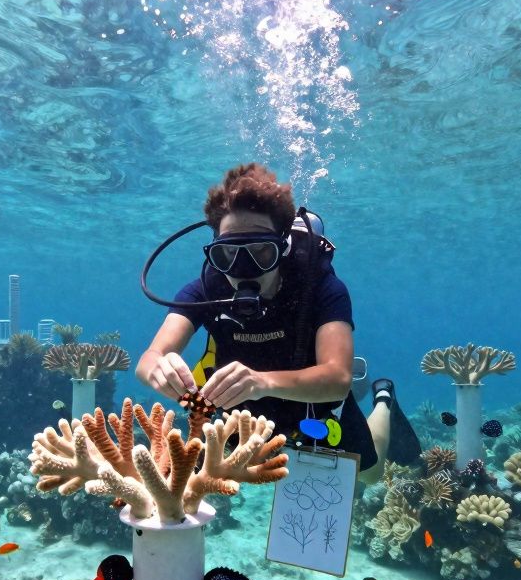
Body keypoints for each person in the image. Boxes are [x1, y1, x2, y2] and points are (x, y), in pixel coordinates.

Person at [136, 162, 421, 483]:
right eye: (227, 255)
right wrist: (159, 372)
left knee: (369, 475)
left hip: (316, 406)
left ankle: (382, 400)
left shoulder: (322, 286)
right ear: (213, 251)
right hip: (239, 411)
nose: (243, 268)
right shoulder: (205, 288)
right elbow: (149, 360)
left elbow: (339, 378)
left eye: (261, 252)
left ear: (283, 247)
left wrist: (261, 382)